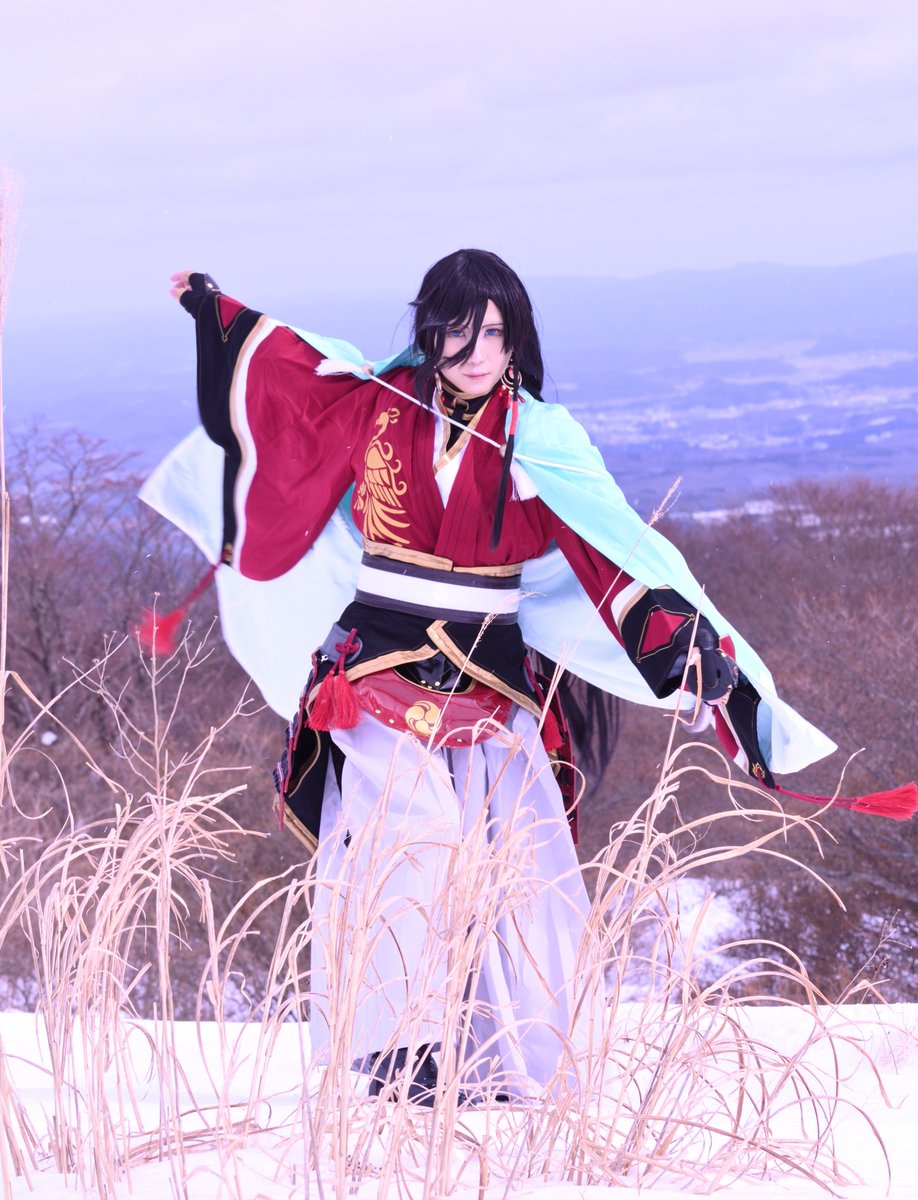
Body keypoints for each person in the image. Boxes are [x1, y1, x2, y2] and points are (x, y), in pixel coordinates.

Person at [149, 250, 841, 1104]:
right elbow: (289, 379)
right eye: (459, 332)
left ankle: (504, 1060)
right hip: (373, 668)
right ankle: (401, 1052)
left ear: (518, 340)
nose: (478, 352)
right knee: (416, 836)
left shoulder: (542, 441)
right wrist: (215, 313)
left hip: (492, 676)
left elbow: (609, 555)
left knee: (521, 865)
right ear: (429, 331)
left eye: (496, 334)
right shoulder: (375, 401)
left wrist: (691, 658)